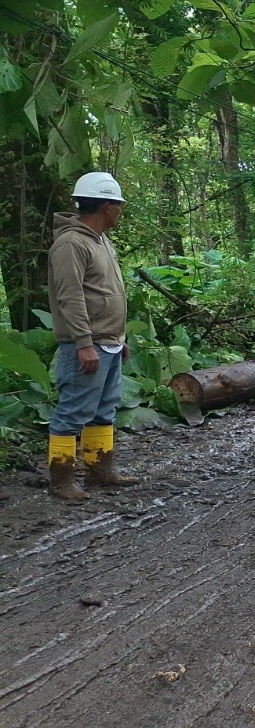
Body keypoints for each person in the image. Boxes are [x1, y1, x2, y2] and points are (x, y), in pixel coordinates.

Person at [45, 172, 134, 502]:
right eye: (118, 206)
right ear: (107, 206)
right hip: (87, 344)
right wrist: (83, 343)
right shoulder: (71, 243)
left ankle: (100, 469)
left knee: (104, 410)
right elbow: (71, 297)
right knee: (72, 412)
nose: (120, 213)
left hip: (108, 341)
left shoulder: (99, 240)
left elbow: (105, 293)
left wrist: (120, 337)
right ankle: (62, 480)